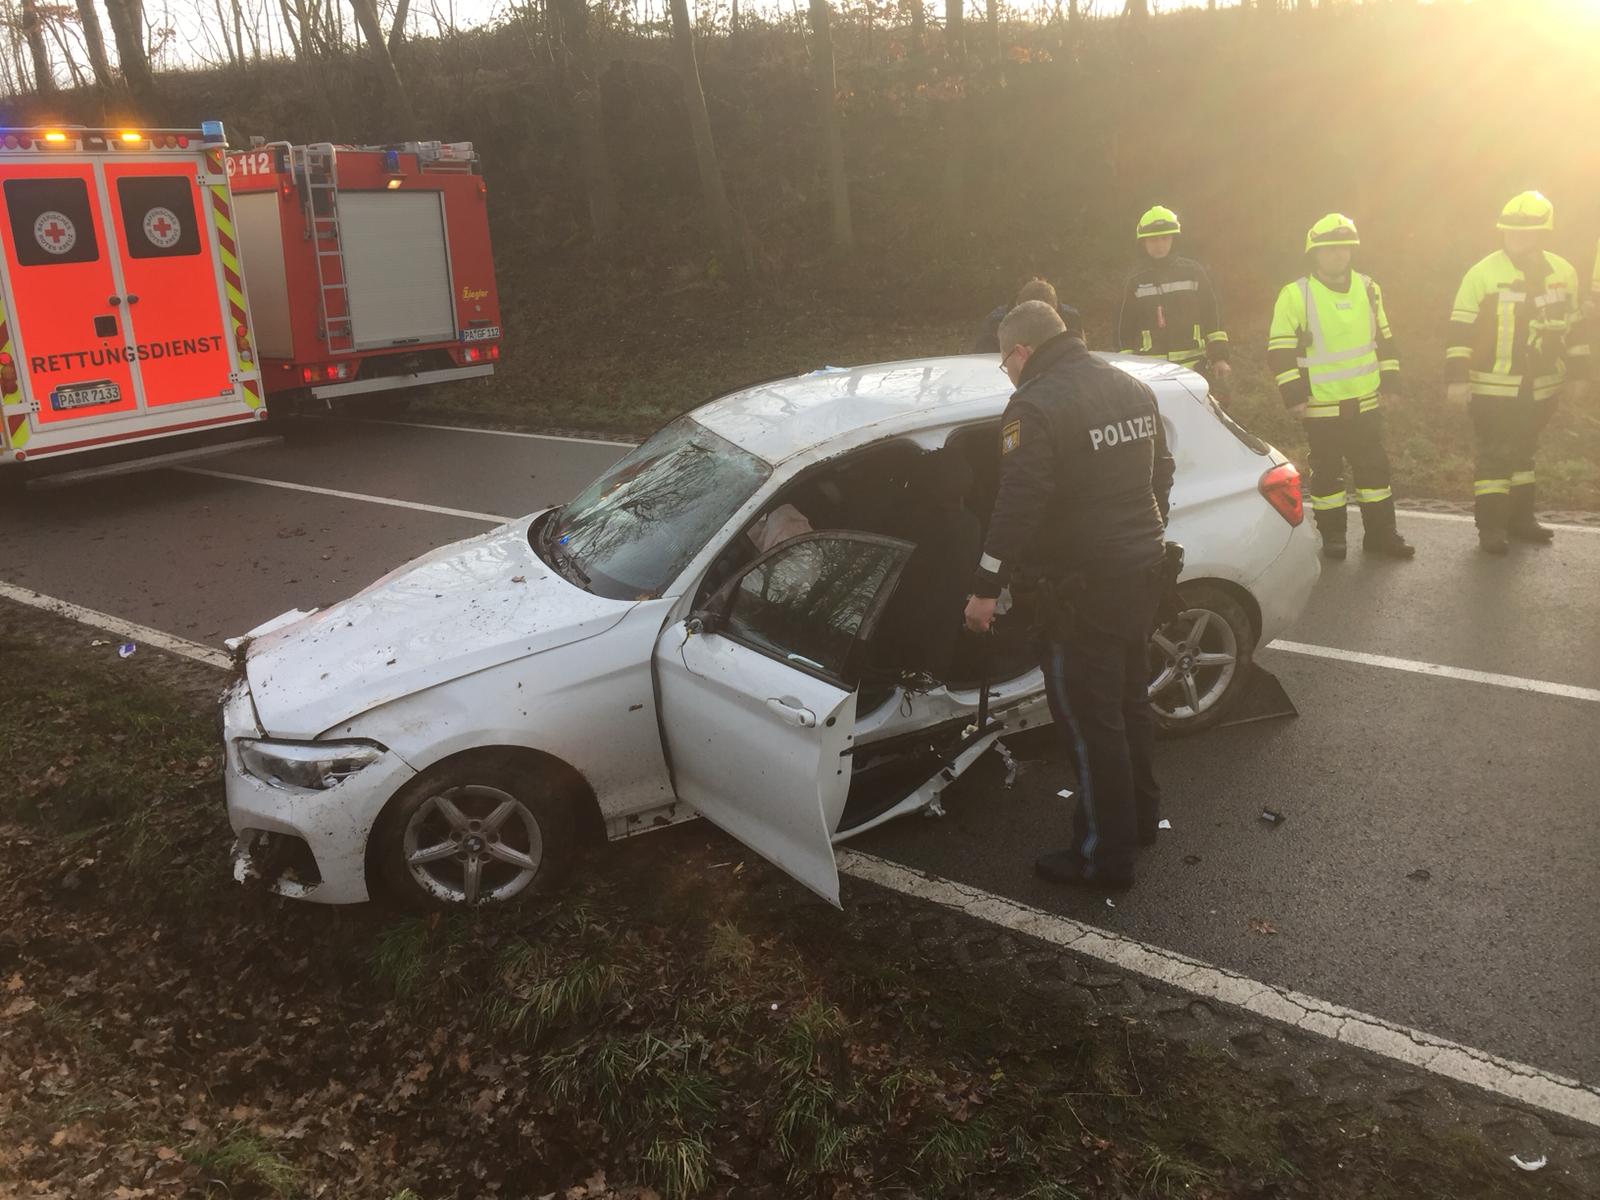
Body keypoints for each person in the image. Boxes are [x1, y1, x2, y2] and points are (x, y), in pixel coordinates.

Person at [962, 301, 1174, 891]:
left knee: (1088, 722)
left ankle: (1103, 859)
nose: (1006, 371)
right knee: (1130, 703)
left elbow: (1018, 503)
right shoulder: (1130, 387)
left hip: (1082, 588)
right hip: (1142, 573)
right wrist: (1142, 538)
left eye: (1004, 360)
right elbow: (1162, 473)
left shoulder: (1034, 404)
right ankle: (1138, 820)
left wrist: (986, 587)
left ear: (1022, 351)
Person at [1446, 192, 1591, 554]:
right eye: (1511, 230)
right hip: (1492, 387)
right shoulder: (1483, 273)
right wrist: (1457, 378)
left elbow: (1573, 327)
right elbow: (1460, 330)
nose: (1517, 236)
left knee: (1525, 453)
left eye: (1526, 231)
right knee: (1496, 454)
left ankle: (1521, 520)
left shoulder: (1563, 272)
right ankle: (1491, 528)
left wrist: (1578, 373)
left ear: (1543, 233)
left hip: (1541, 386)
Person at [1267, 213, 1415, 561]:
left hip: (1365, 403)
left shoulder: (1368, 288)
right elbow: (1279, 351)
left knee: (1375, 473)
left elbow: (1386, 341)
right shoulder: (1295, 294)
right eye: (1329, 249)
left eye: (1343, 248)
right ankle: (1334, 538)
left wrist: (1392, 383)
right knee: (1327, 478)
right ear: (1314, 253)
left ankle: (1381, 536)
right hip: (1320, 408)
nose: (1337, 254)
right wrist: (1293, 396)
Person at [1117, 205, 1232, 396]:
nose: (1159, 244)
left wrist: (1220, 357)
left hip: (1196, 369)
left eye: (1165, 238)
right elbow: (1123, 328)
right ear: (1143, 243)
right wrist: (1126, 371)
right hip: (1150, 373)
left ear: (1174, 240)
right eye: (1153, 239)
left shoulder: (1193, 272)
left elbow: (1212, 315)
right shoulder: (1135, 281)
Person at [974, 277, 1084, 353]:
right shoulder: (996, 321)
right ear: (1019, 305)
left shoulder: (1071, 318)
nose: (1039, 322)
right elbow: (985, 360)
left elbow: (1077, 354)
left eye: (1046, 315)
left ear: (1055, 307)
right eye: (1032, 316)